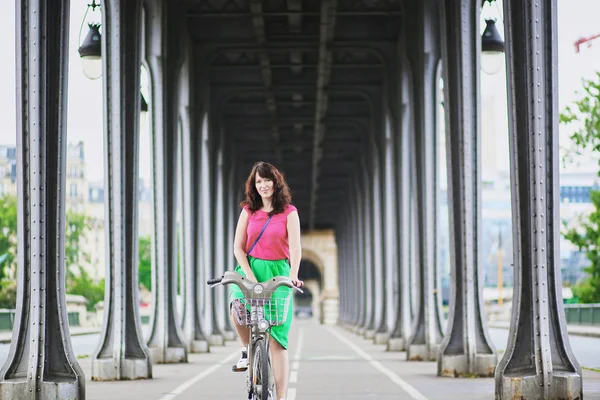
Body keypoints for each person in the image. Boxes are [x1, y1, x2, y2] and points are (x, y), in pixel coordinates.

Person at [231, 161, 303, 400]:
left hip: (279, 271)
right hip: (250, 268)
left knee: (278, 342)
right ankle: (245, 349)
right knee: (238, 304)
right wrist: (250, 277)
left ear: (276, 182)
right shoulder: (248, 211)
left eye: (266, 180)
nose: (263, 185)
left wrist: (293, 276)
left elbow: (294, 247)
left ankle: (280, 397)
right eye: (258, 181)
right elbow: (238, 248)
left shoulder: (289, 212)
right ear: (254, 185)